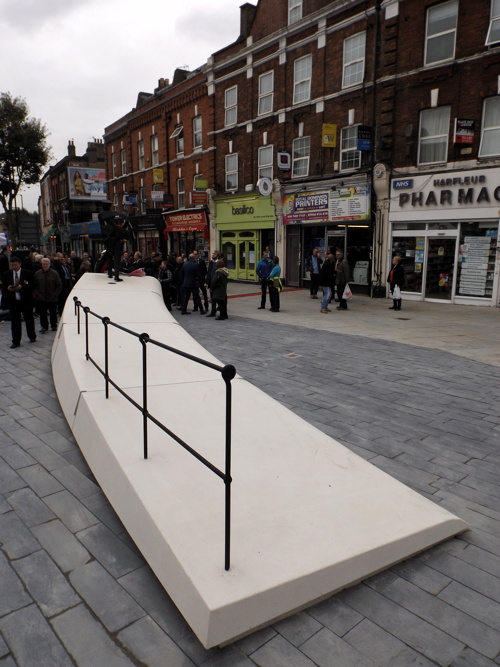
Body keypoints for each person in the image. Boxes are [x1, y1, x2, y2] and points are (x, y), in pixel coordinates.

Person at [2, 256, 36, 348]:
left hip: (25, 300)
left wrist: (22, 287)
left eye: (15, 265)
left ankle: (32, 336)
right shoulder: (7, 274)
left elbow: (33, 285)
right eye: (12, 265)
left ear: (19, 264)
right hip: (14, 301)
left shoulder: (27, 273)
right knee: (15, 321)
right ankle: (16, 341)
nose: (14, 267)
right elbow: (4, 287)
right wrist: (8, 288)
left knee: (29, 319)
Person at [98, 205, 132, 281]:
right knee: (117, 258)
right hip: (116, 239)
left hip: (109, 239)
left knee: (109, 256)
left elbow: (102, 227)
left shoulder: (101, 215)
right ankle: (116, 276)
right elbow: (122, 227)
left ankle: (110, 273)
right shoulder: (113, 214)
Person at [34, 258, 62, 332]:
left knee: (53, 312)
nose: (45, 265)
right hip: (41, 297)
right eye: (44, 264)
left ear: (49, 265)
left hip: (52, 297)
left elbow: (59, 285)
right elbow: (34, 286)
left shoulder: (54, 273)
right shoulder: (37, 274)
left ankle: (53, 325)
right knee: (42, 313)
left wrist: (55, 294)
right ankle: (44, 326)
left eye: (46, 264)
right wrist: (37, 294)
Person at [205, 250, 220, 317]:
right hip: (211, 283)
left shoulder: (219, 263)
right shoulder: (211, 262)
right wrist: (207, 282)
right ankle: (213, 311)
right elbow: (209, 273)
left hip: (217, 283)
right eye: (213, 254)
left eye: (214, 254)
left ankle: (220, 309)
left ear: (217, 255)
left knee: (218, 298)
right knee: (212, 298)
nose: (213, 255)